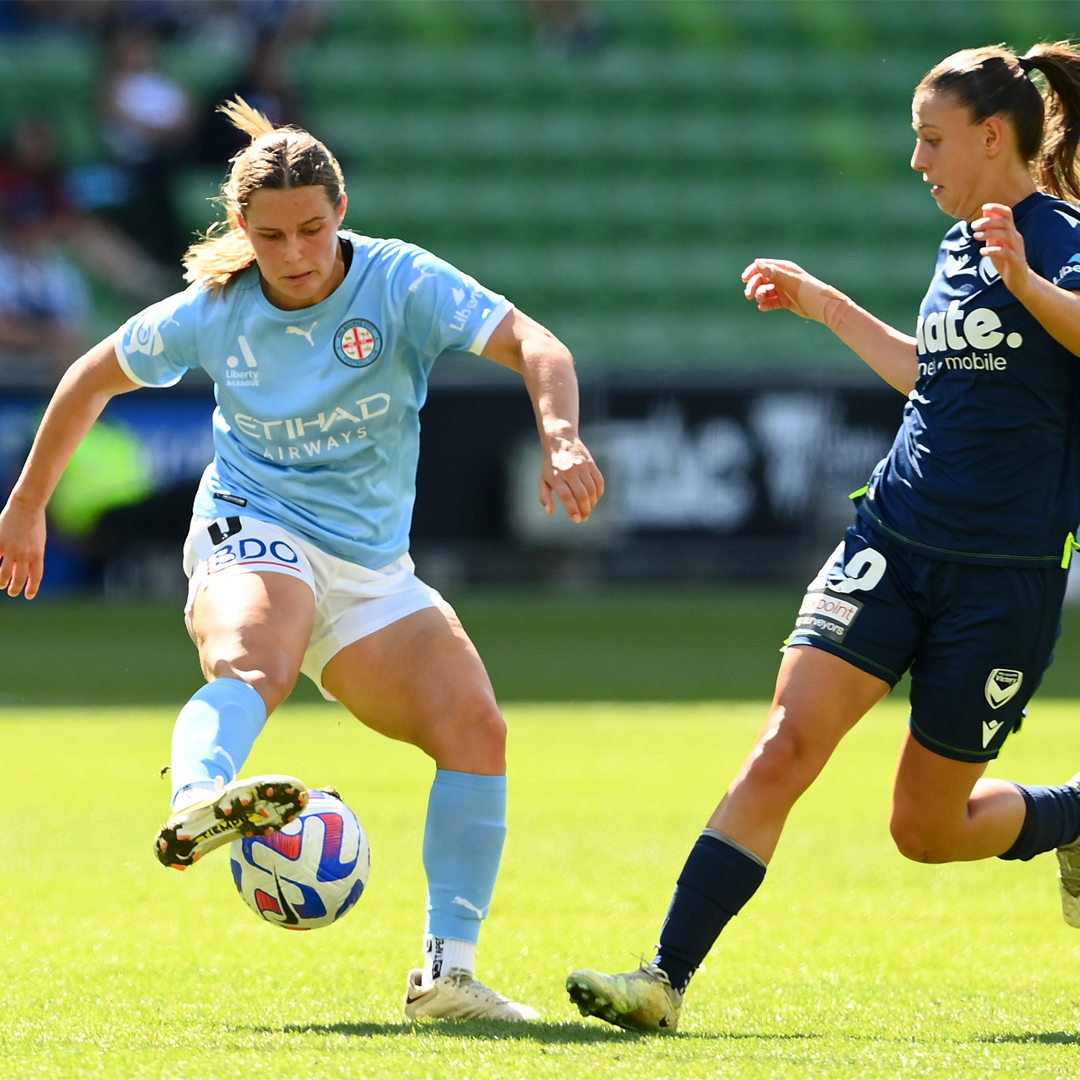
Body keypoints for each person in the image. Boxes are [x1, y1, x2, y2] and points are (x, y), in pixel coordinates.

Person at [0, 98, 604, 1022]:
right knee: (258, 661)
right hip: (254, 522)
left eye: (313, 229)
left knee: (476, 730)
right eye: (273, 235)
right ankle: (199, 798)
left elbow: (534, 342)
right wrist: (27, 504)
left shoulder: (401, 281)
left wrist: (560, 435)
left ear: (341, 210)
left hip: (370, 569)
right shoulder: (215, 310)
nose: (296, 253)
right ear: (242, 227)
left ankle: (447, 976)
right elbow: (90, 377)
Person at [566, 42, 1080, 1033]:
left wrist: (1026, 283)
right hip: (892, 538)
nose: (917, 160)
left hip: (1003, 578)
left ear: (990, 136)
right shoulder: (962, 243)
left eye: (930, 139)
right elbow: (934, 375)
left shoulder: (1056, 241)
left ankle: (1071, 813)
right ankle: (663, 980)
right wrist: (820, 300)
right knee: (784, 746)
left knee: (924, 830)